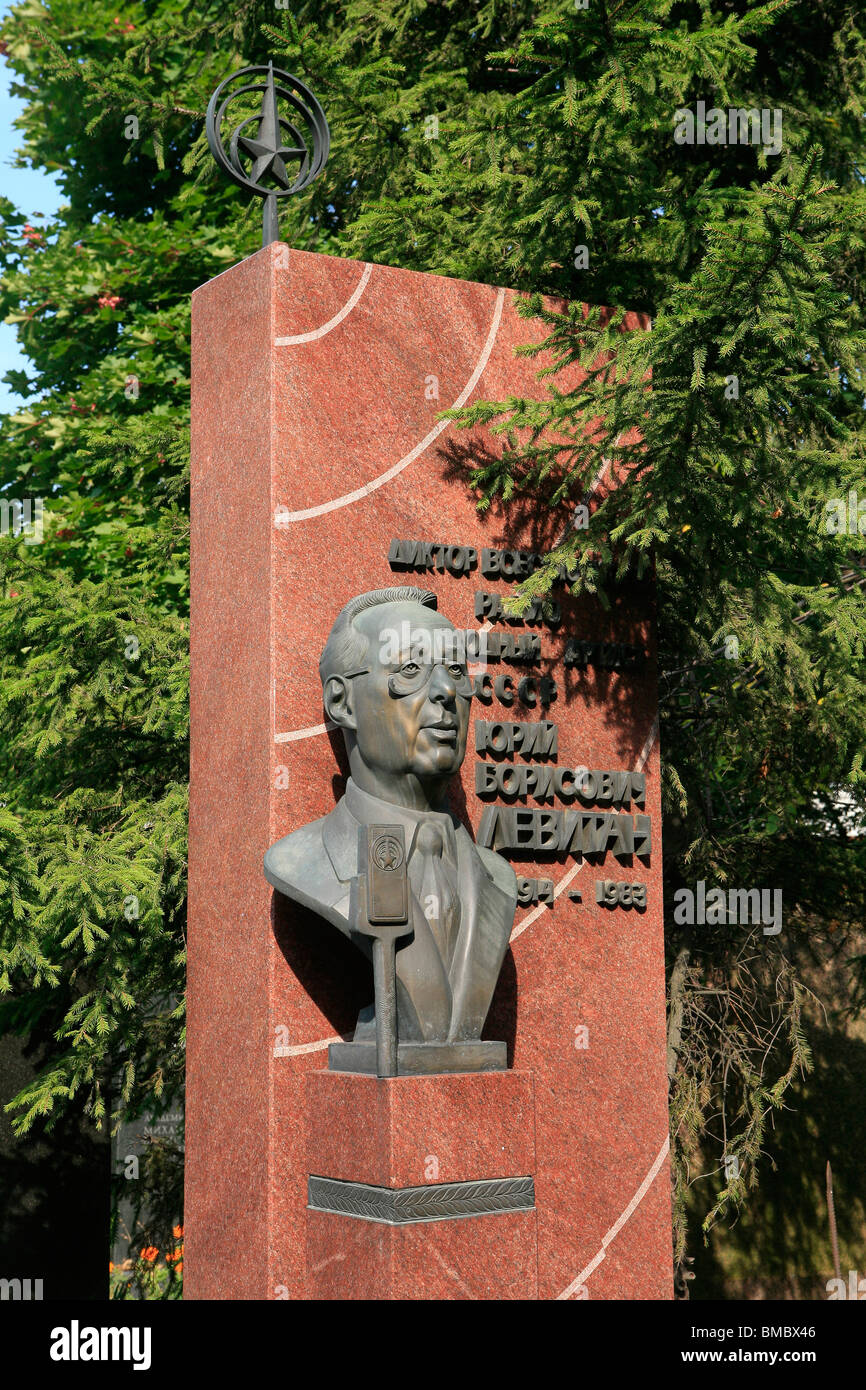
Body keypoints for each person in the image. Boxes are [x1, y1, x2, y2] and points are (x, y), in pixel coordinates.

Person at [264, 586, 516, 1044]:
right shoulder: (303, 864)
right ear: (343, 703)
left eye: (456, 671)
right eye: (411, 669)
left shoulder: (497, 877)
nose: (444, 692)